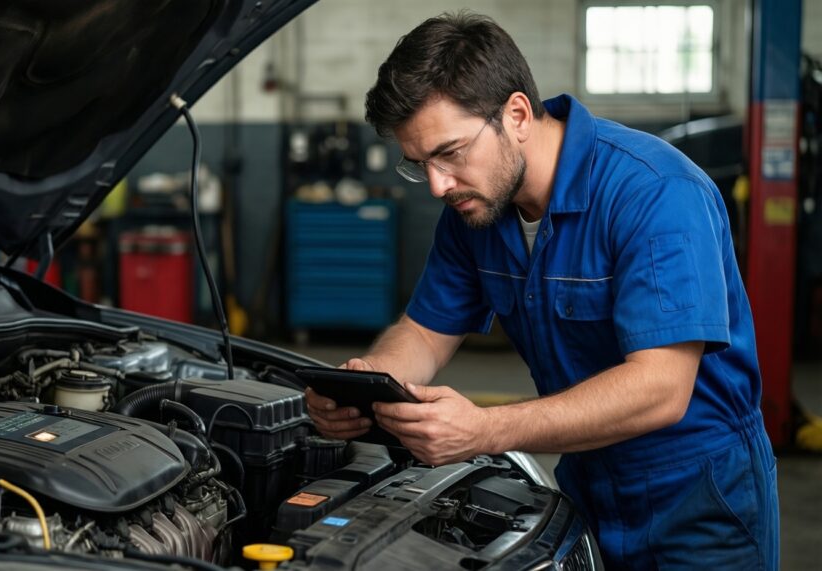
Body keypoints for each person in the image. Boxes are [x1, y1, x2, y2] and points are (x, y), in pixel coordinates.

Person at [305, 12, 779, 569]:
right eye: (420, 165)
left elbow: (661, 389)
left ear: (517, 114)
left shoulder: (654, 193)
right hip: (586, 478)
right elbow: (425, 333)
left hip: (699, 497)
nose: (438, 185)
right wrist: (372, 383)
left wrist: (484, 430)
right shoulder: (474, 211)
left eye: (451, 152)